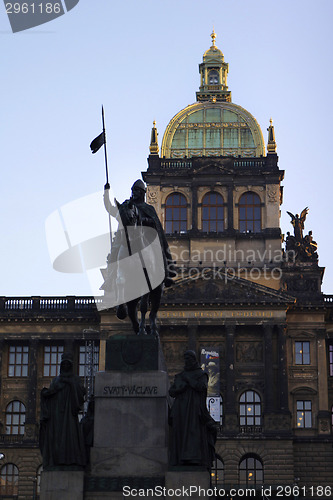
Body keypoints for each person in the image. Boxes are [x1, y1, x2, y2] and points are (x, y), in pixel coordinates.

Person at [104, 179, 176, 287]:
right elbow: (111, 209)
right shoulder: (126, 206)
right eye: (133, 190)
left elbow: (154, 223)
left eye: (137, 191)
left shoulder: (148, 208)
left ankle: (165, 273)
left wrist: (143, 220)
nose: (134, 193)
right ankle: (110, 279)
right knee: (115, 251)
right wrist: (106, 193)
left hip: (145, 237)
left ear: (142, 193)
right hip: (126, 237)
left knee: (158, 249)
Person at [168, 350, 217, 468]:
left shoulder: (201, 374)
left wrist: (189, 381)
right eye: (185, 359)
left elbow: (202, 387)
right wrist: (180, 388)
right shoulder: (180, 375)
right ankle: (179, 459)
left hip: (194, 410)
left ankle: (193, 459)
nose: (186, 361)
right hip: (181, 409)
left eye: (188, 359)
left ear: (194, 360)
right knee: (180, 433)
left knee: (193, 433)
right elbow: (171, 391)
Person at [39, 353, 86, 469]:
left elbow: (81, 392)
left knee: (70, 436)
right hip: (56, 414)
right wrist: (47, 393)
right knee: (57, 437)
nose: (65, 366)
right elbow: (50, 394)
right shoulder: (56, 380)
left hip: (69, 413)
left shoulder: (75, 379)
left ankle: (70, 460)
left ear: (70, 366)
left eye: (67, 364)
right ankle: (57, 460)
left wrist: (70, 384)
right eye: (63, 364)